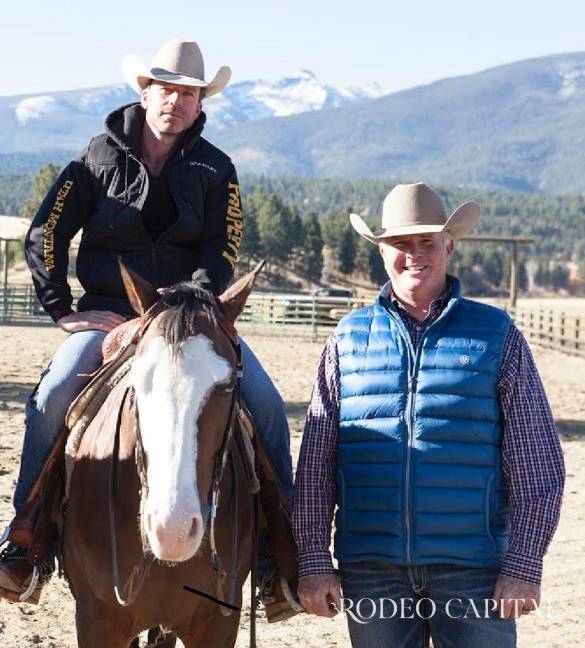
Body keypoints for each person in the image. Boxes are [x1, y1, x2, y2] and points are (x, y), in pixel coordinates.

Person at [0, 39, 293, 609]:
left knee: (264, 402)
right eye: (168, 89)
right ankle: (26, 538)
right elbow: (45, 233)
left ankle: (280, 555)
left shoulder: (217, 169)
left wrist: (191, 311)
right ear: (147, 90)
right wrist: (64, 310)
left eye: (189, 93)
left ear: (198, 103)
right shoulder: (95, 157)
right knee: (56, 392)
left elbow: (221, 249)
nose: (176, 101)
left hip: (190, 319)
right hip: (109, 314)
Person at [292, 182, 565, 647]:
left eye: (426, 242)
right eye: (400, 243)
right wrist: (314, 562)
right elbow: (316, 464)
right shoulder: (347, 339)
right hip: (373, 570)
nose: (413, 254)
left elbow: (537, 464)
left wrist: (523, 566)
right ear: (382, 252)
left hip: (474, 572)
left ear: (449, 246)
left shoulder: (496, 336)